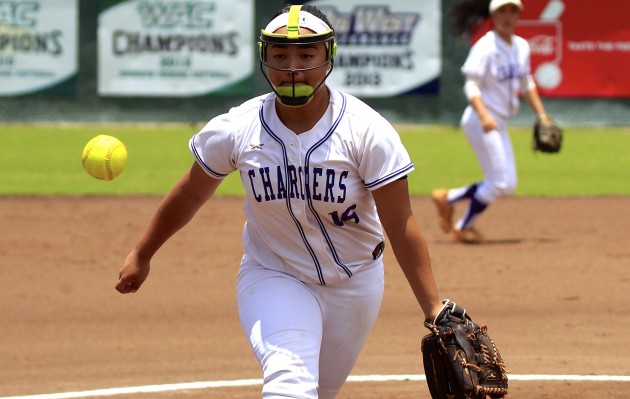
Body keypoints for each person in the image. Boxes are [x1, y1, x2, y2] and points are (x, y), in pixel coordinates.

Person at [115, 4, 443, 398]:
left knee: (318, 392)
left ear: (328, 57)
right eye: (280, 56)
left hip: (356, 282)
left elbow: (399, 223)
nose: (293, 68)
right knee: (289, 383)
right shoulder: (238, 128)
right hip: (274, 273)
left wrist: (433, 309)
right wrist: (142, 251)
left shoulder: (366, 131)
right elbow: (191, 192)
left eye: (306, 55)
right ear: (264, 58)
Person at [432, 0, 550, 244]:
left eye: (512, 11)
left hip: (499, 122)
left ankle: (447, 197)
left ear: (519, 16)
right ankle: (463, 226)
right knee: (498, 182)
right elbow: (471, 85)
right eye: (501, 11)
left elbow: (527, 83)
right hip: (481, 120)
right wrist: (484, 115)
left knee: (507, 185)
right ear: (492, 16)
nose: (507, 16)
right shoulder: (486, 45)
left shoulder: (521, 46)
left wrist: (542, 114)